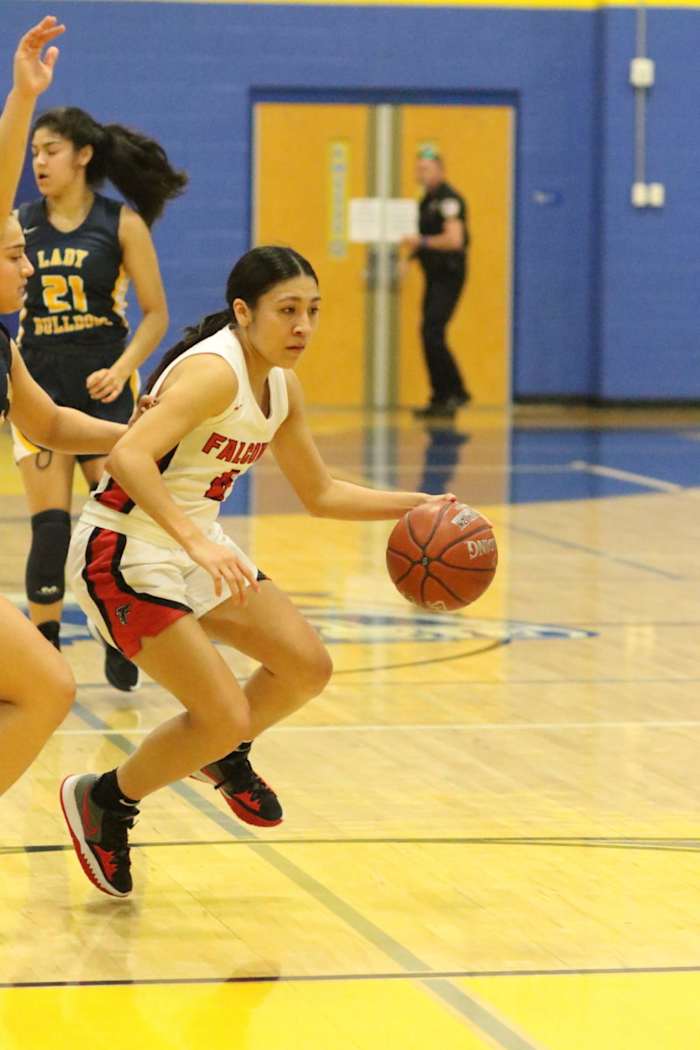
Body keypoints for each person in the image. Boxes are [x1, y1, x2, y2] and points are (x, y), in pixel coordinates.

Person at [59, 244, 457, 897]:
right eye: (287, 311)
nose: (302, 327)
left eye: (313, 312)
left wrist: (418, 506)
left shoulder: (279, 386)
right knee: (220, 713)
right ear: (243, 312)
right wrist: (194, 539)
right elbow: (128, 457)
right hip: (122, 549)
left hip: (190, 544)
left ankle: (221, 751)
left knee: (307, 666)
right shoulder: (216, 373)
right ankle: (104, 799)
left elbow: (321, 493)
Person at [0, 16, 142, 799]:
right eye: (16, 254)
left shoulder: (1, 346)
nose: (27, 266)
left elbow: (48, 422)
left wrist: (143, 427)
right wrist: (22, 100)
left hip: (90, 384)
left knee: (48, 687)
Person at [13, 96, 187, 690]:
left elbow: (157, 314)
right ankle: (45, 655)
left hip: (103, 382)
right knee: (50, 524)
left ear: (83, 156)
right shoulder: (21, 222)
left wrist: (123, 367)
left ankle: (119, 636)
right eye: (34, 151)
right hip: (37, 380)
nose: (39, 162)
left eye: (51, 151)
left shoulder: (121, 222)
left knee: (114, 524)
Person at [402, 147, 470, 420]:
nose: (422, 174)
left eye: (427, 169)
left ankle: (456, 391)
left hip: (449, 275)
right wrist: (411, 258)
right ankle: (440, 397)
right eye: (419, 169)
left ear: (441, 171)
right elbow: (425, 237)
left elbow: (455, 240)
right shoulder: (425, 201)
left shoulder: (449, 200)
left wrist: (423, 243)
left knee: (432, 330)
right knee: (429, 333)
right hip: (433, 275)